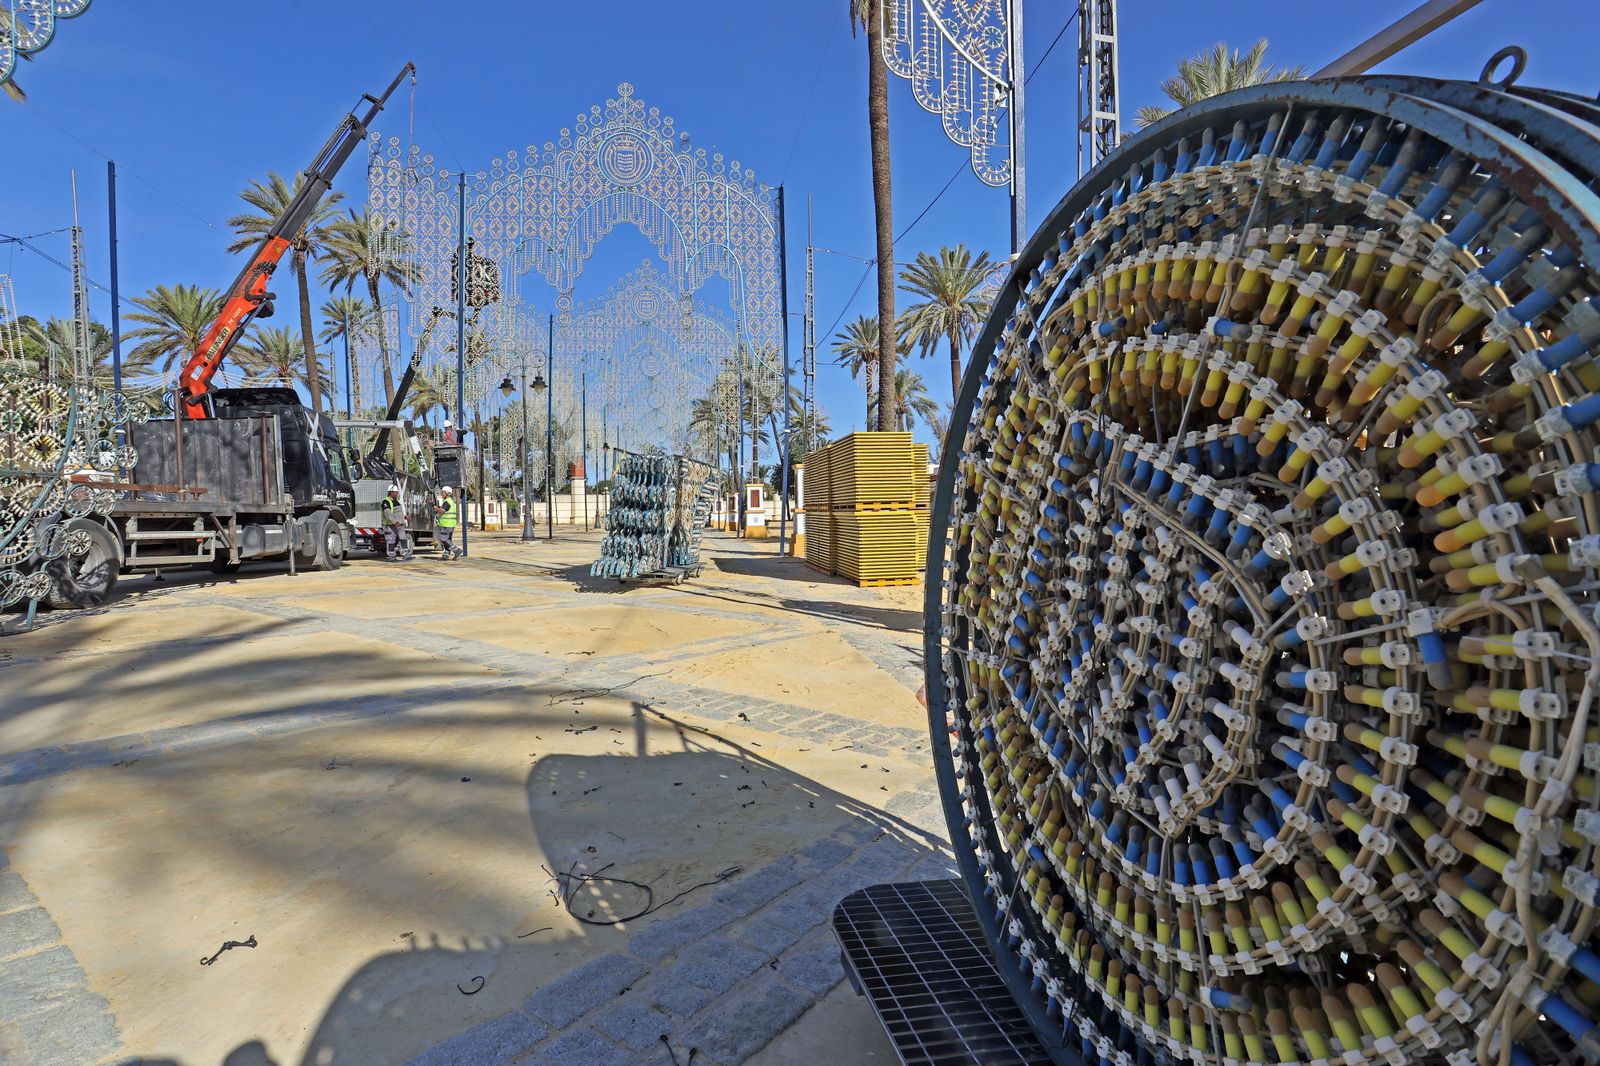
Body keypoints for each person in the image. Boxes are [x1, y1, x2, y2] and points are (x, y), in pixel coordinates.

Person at [380, 484, 413, 562]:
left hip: (399, 524)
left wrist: (405, 517)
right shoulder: (386, 502)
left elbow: (397, 513)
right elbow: (388, 514)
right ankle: (392, 556)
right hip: (390, 525)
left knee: (403, 539)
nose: (397, 493)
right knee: (391, 541)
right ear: (391, 492)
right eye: (396, 492)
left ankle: (405, 554)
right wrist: (395, 522)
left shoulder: (396, 501)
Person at [433, 485, 461, 560]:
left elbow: (442, 511)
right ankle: (446, 555)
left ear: (447, 493)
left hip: (446, 524)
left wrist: (436, 508)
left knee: (443, 538)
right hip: (450, 524)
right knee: (448, 540)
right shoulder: (450, 502)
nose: (441, 494)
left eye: (443, 493)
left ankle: (456, 550)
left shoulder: (447, 502)